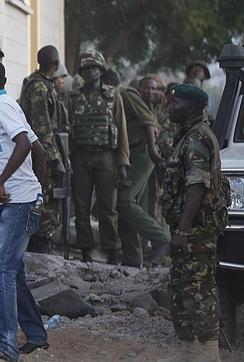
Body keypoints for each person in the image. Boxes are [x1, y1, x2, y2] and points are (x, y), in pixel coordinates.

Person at [0, 59, 49, 361]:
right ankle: (36, 334)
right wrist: (38, 189)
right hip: (21, 198)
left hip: (16, 202)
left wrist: (2, 182)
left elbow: (24, 145)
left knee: (1, 271)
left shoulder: (2, 108)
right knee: (13, 271)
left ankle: (7, 345)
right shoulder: (7, 106)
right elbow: (40, 150)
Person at [161, 84, 229, 361]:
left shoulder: (197, 138)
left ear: (190, 108)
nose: (170, 107)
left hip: (196, 231)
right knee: (183, 291)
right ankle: (191, 352)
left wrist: (182, 230)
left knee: (199, 293)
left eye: (174, 103)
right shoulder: (187, 135)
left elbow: (197, 187)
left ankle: (208, 354)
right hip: (190, 228)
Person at [101, 70, 170, 267]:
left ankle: (161, 238)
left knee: (124, 202)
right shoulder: (113, 99)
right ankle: (133, 260)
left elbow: (148, 122)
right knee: (127, 209)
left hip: (141, 153)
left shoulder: (124, 93)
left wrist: (153, 151)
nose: (150, 91)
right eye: (146, 88)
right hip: (131, 155)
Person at [67, 50, 129, 264]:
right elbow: (68, 129)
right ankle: (86, 250)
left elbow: (121, 130)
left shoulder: (113, 96)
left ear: (101, 70)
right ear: (82, 72)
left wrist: (122, 162)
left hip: (106, 156)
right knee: (81, 206)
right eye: (86, 68)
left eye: (95, 67)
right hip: (81, 157)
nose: (91, 71)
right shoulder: (73, 97)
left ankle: (111, 251)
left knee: (108, 207)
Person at [18, 45, 65, 253]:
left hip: (39, 151)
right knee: (46, 198)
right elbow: (42, 127)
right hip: (41, 154)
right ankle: (40, 246)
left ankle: (41, 243)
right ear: (55, 65)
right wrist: (56, 159)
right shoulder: (39, 87)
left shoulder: (39, 84)